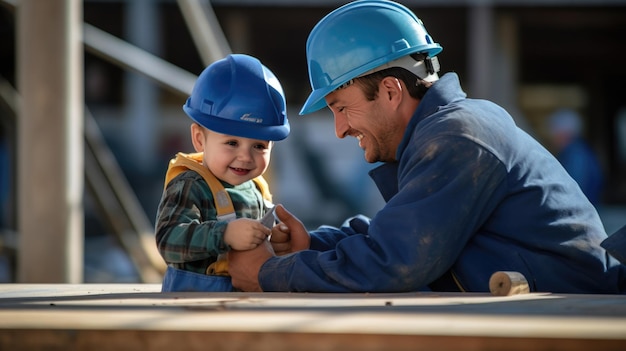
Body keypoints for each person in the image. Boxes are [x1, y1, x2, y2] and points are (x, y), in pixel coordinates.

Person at [228, 0, 625, 294]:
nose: (339, 129)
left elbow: (396, 260)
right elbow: (405, 229)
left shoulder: (458, 136)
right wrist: (314, 244)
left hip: (578, 313)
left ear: (390, 91)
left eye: (342, 109)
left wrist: (267, 274)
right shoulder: (445, 132)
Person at [155, 54, 290, 292]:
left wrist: (276, 241)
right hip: (190, 306)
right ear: (199, 139)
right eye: (232, 143)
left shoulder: (257, 189)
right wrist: (224, 234)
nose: (246, 157)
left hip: (245, 302)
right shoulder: (191, 185)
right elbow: (168, 240)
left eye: (259, 146)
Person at [547, 108, 604, 205]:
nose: (553, 137)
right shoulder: (576, 151)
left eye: (555, 132)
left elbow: (573, 188)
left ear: (564, 133)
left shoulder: (575, 155)